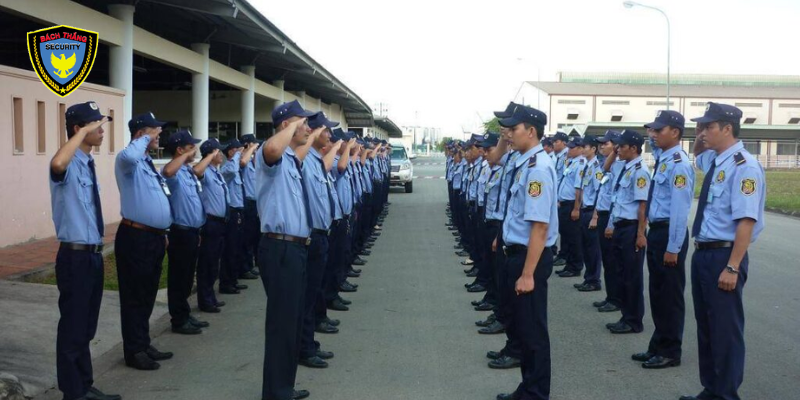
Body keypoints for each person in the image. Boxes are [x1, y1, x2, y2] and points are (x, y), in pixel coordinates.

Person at [680, 103, 765, 400]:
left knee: (725, 332)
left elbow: (746, 220)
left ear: (727, 128)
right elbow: (697, 153)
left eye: (708, 127)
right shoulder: (717, 161)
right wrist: (698, 129)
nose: (703, 134)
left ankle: (726, 394)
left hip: (724, 256)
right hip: (704, 253)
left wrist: (733, 266)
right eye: (701, 128)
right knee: (707, 327)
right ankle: (711, 389)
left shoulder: (744, 166)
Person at [50, 102, 120, 400]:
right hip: (74, 256)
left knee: (87, 326)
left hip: (91, 255)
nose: (101, 131)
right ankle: (73, 392)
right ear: (79, 129)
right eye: (95, 126)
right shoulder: (66, 163)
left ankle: (84, 384)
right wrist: (79, 136)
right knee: (73, 327)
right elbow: (56, 165)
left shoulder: (87, 164)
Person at [495, 104, 558, 400]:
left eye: (514, 128)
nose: (509, 134)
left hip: (528, 259)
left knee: (532, 332)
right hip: (517, 252)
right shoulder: (525, 162)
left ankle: (535, 393)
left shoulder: (538, 170)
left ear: (531, 131)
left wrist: (528, 274)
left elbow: (540, 228)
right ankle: (528, 388)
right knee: (522, 327)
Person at [256, 99, 318, 400]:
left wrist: (305, 132)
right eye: (301, 122)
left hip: (296, 250)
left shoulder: (292, 160)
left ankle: (284, 386)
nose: (307, 126)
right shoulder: (271, 156)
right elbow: (270, 150)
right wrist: (292, 125)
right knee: (282, 323)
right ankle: (276, 392)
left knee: (291, 321)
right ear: (286, 125)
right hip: (279, 248)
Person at [627, 110, 694, 369]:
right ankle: (658, 344)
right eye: (651, 130)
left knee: (669, 295)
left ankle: (670, 351)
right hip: (658, 231)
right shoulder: (664, 159)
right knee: (657, 293)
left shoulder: (679, 163)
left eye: (658, 130)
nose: (652, 135)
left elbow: (679, 209)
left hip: (669, 234)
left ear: (675, 132)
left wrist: (674, 247)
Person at [115, 112, 173, 370]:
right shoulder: (128, 160)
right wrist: (143, 138)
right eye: (154, 130)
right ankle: (134, 350)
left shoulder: (148, 163)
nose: (159, 134)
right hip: (135, 237)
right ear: (140, 134)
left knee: (148, 294)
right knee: (134, 296)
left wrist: (165, 232)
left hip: (154, 238)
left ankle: (143, 341)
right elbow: (128, 155)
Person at [298, 111, 342, 369]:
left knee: (312, 293)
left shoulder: (316, 160)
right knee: (306, 297)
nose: (330, 135)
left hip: (321, 234)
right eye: (326, 130)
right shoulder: (304, 160)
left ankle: (309, 343)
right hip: (311, 236)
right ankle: (304, 347)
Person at [160, 130, 208, 335]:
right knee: (179, 278)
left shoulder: (188, 172)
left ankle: (185, 313)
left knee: (188, 277)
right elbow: (167, 172)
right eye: (191, 147)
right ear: (180, 150)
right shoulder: (174, 173)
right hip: (179, 233)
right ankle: (178, 319)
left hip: (192, 231)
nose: (195, 150)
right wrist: (181, 157)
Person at [604, 130, 650, 334]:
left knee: (632, 277)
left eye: (621, 146)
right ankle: (625, 316)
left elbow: (642, 205)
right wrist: (615, 152)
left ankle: (633, 321)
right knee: (622, 274)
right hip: (621, 227)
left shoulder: (640, 170)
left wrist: (641, 234)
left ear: (633, 148)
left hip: (632, 228)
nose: (618, 149)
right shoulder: (624, 167)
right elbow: (605, 168)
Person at [219, 139, 258, 294]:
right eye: (237, 150)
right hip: (233, 211)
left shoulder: (234, 167)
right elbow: (237, 165)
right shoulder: (228, 167)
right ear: (230, 152)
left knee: (237, 246)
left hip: (240, 210)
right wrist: (243, 152)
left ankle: (233, 279)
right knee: (231, 249)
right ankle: (227, 283)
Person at [593, 131, 625, 313]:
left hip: (612, 217)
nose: (601, 146)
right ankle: (611, 296)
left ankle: (616, 299)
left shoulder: (620, 164)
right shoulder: (608, 165)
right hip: (605, 215)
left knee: (613, 263)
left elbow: (616, 198)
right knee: (607, 261)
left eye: (606, 143)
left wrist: (610, 224)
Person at [195, 139, 227, 313]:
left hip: (220, 223)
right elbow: (197, 170)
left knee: (214, 263)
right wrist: (208, 156)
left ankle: (211, 297)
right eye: (218, 152)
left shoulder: (216, 172)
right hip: (211, 223)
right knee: (207, 264)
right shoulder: (206, 170)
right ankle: (205, 300)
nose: (220, 154)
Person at [574, 135, 604, 292]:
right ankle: (588, 278)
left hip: (592, 210)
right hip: (584, 209)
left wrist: (595, 216)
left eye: (585, 147)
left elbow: (600, 192)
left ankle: (594, 280)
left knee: (593, 249)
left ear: (593, 149)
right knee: (585, 247)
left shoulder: (597, 168)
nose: (583, 149)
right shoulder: (587, 166)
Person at [555, 136, 585, 278]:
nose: (569, 150)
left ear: (580, 149)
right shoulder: (571, 162)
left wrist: (576, 208)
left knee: (574, 237)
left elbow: (579, 187)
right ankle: (569, 264)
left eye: (572, 148)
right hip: (565, 203)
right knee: (566, 236)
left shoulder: (580, 163)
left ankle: (575, 266)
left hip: (572, 204)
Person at [240, 133, 263, 277]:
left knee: (255, 235)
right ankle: (245, 266)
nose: (257, 147)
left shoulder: (253, 162)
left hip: (256, 203)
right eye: (254, 144)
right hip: (247, 203)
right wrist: (250, 148)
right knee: (247, 237)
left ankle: (252, 263)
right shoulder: (243, 160)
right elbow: (243, 161)